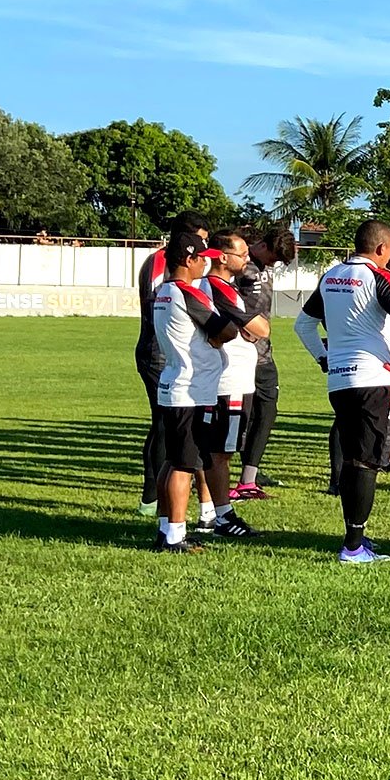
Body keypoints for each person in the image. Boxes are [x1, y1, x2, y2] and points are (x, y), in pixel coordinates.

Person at [294, 219, 390, 565]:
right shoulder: (379, 278)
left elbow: (303, 324)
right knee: (366, 463)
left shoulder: (331, 275)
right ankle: (353, 547)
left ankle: (355, 537)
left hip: (339, 380)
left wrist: (325, 358)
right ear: (381, 248)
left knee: (353, 460)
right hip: (372, 378)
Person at [148, 232, 240, 552]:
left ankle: (165, 527)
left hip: (173, 383)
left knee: (173, 461)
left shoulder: (162, 291)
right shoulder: (189, 293)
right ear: (189, 260)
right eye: (203, 258)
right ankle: (175, 535)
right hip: (192, 390)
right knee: (185, 465)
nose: (207, 263)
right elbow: (226, 330)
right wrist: (218, 334)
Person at [198, 230, 270, 538]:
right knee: (220, 453)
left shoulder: (221, 286)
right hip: (230, 382)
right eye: (241, 254)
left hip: (230, 378)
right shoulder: (218, 287)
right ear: (223, 257)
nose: (247, 259)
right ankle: (222, 516)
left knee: (214, 450)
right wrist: (248, 329)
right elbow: (261, 328)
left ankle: (209, 513)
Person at [136, 211, 208, 515]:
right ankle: (152, 497)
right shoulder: (160, 262)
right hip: (158, 351)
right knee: (165, 426)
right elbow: (158, 302)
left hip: (169, 351)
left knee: (167, 426)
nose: (204, 249)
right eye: (202, 240)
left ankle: (161, 496)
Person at [229, 226, 296, 499]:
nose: (275, 264)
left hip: (263, 353)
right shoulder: (245, 271)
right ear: (264, 246)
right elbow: (237, 309)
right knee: (244, 416)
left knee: (264, 412)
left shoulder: (257, 267)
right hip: (245, 354)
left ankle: (249, 475)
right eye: (275, 258)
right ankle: (226, 477)